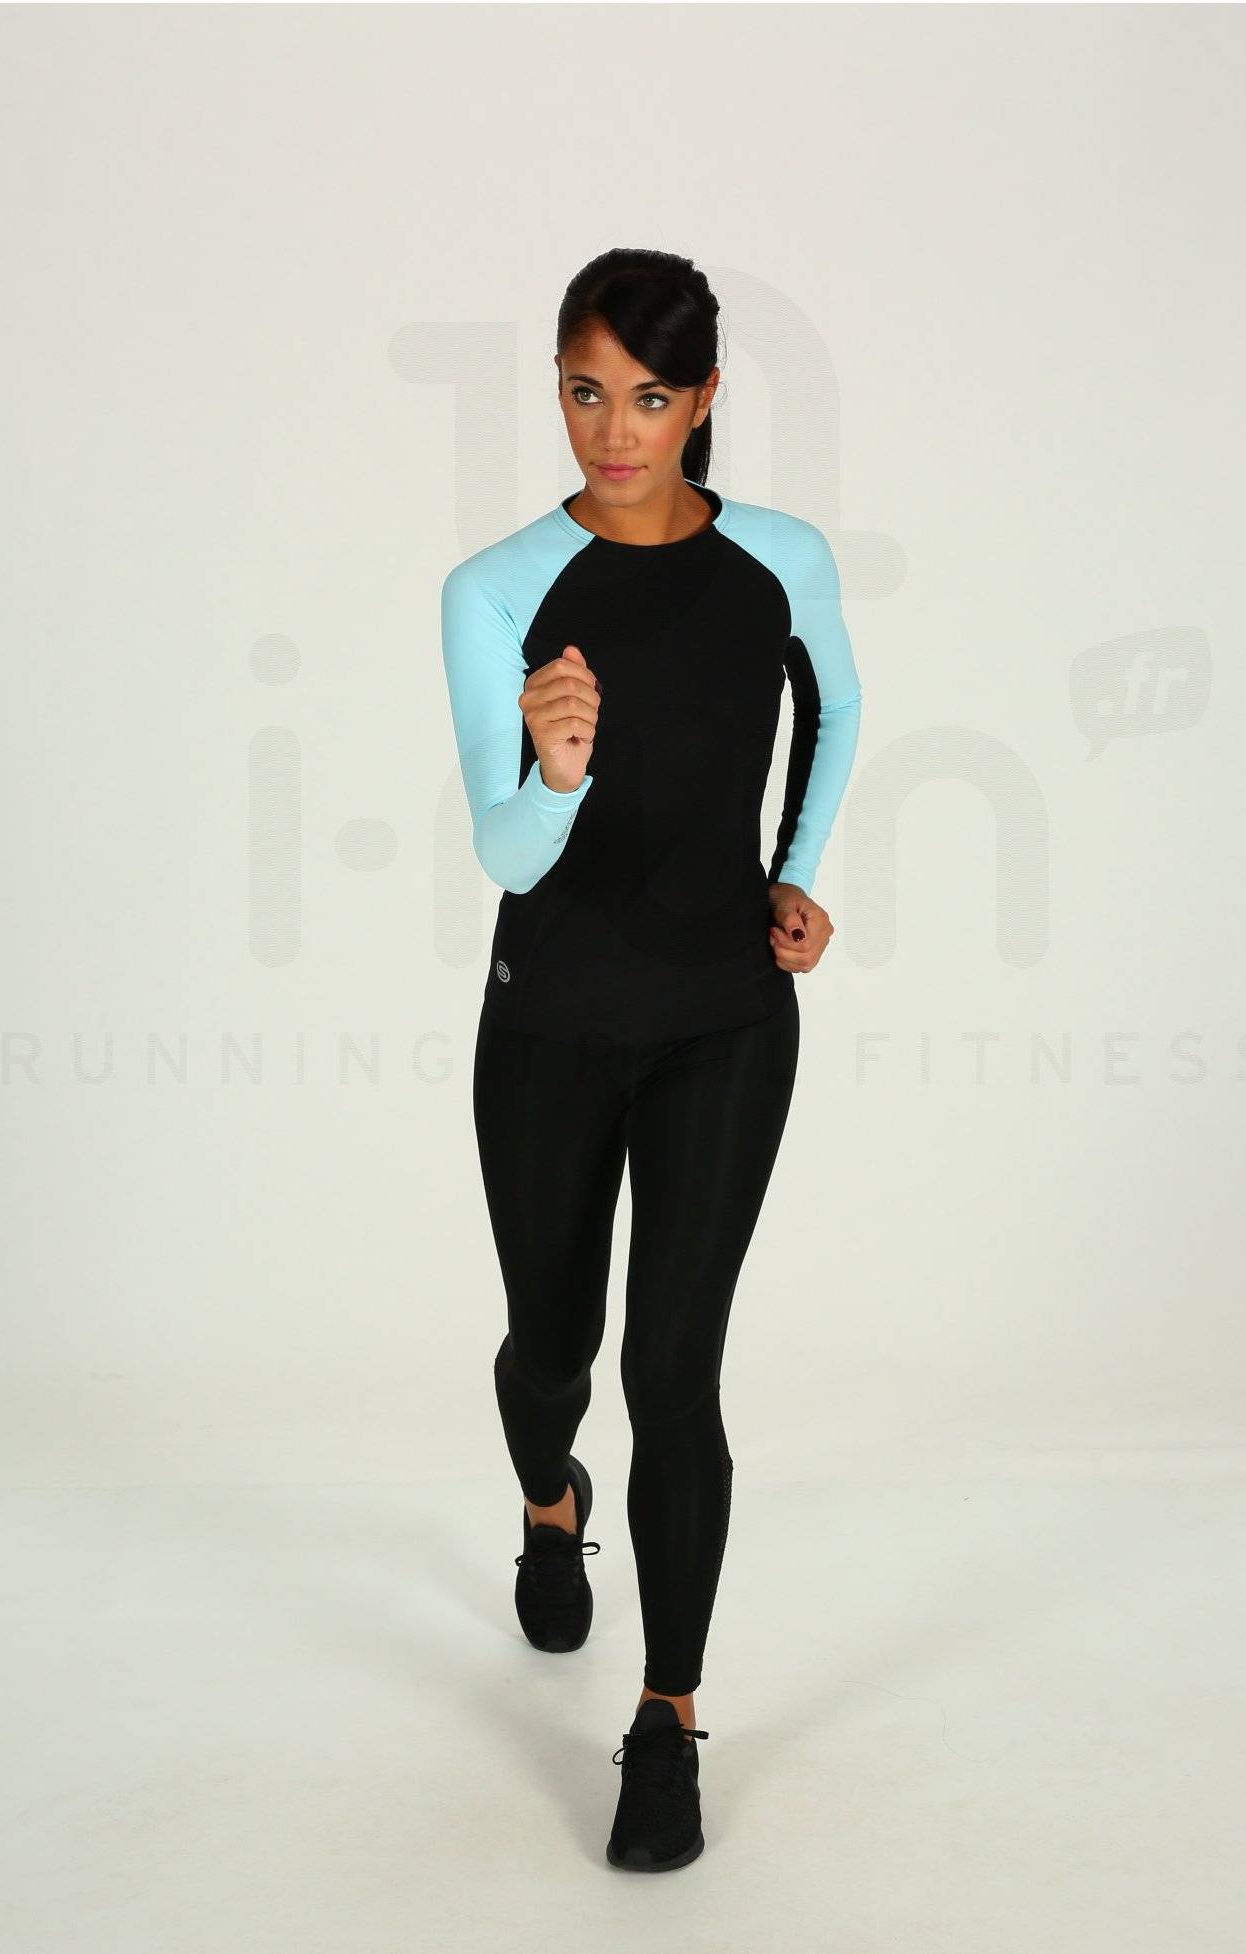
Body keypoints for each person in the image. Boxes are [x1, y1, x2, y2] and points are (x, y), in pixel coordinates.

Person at [440, 246, 861, 1871]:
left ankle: (668, 1714)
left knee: (670, 1371)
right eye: (585, 391)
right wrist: (552, 770)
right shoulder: (495, 591)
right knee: (553, 1350)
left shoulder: (779, 561)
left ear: (704, 399)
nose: (614, 431)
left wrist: (794, 872)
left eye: (651, 396)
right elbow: (505, 852)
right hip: (548, 1021)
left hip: (723, 1023)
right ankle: (551, 1498)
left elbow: (836, 706)